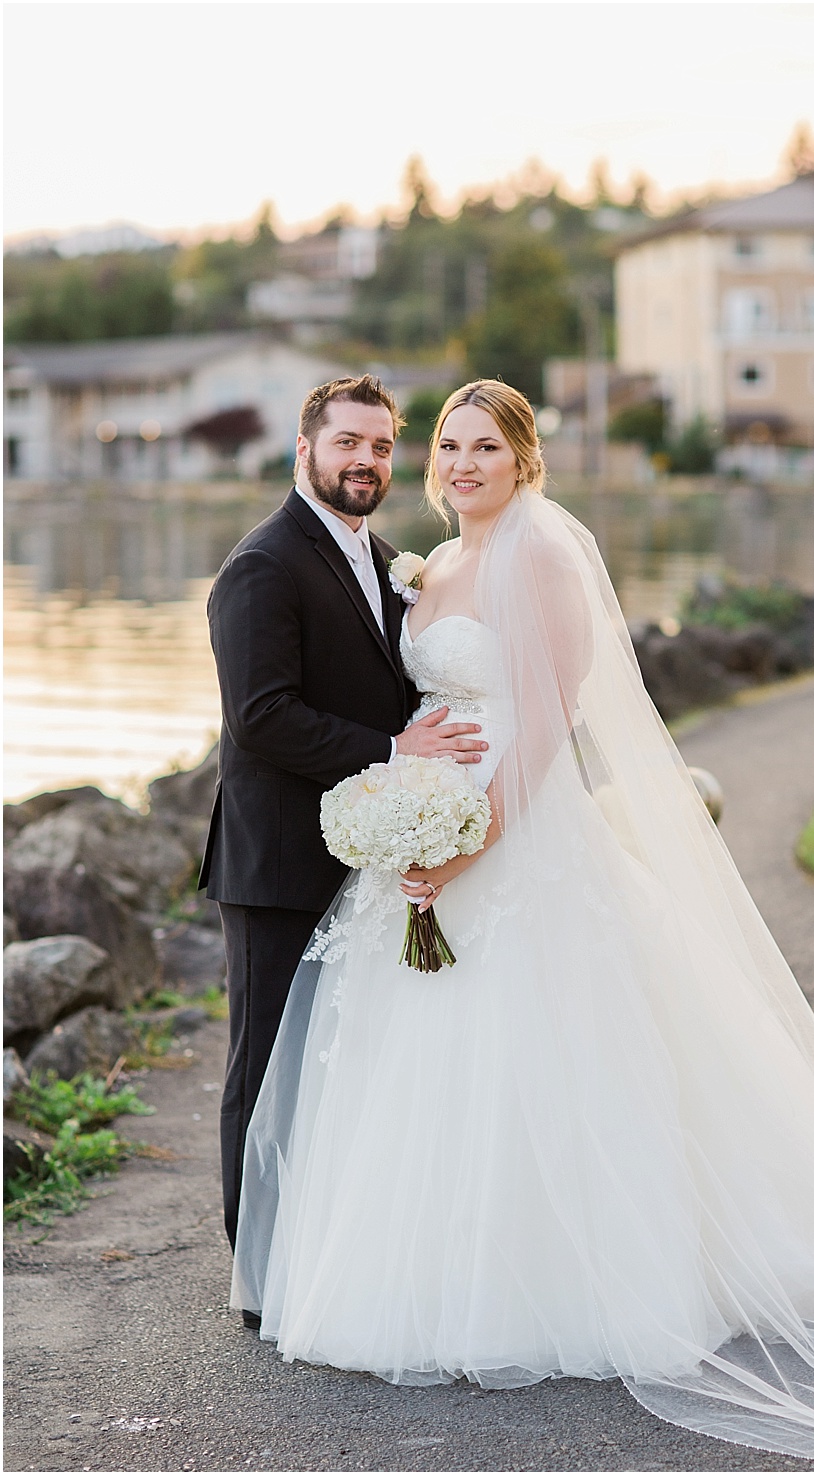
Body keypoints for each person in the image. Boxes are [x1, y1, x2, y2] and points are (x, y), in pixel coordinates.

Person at [231, 380, 814, 1472]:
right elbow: (412, 710)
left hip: (517, 832)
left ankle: (571, 1282)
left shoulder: (542, 556)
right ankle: (424, 1269)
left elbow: (544, 720)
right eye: (447, 445)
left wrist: (471, 839)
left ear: (523, 460)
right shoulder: (429, 566)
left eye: (484, 447)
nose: (461, 464)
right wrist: (409, 816)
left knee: (550, 1044)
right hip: (423, 828)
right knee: (426, 1058)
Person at [200, 374, 490, 1264]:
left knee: (338, 1062)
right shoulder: (262, 565)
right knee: (267, 1067)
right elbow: (262, 715)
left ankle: (318, 1260)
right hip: (279, 861)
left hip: (365, 855)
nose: (365, 461)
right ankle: (257, 1267)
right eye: (347, 443)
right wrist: (397, 751)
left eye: (380, 446)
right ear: (305, 450)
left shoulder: (390, 560)